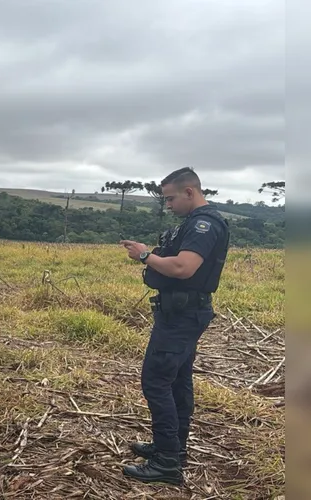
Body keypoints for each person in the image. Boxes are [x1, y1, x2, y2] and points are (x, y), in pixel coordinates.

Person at [118, 167, 230, 485]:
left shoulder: (203, 224)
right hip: (182, 312)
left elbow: (183, 267)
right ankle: (172, 448)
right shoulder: (198, 222)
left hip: (182, 316)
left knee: (156, 382)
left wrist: (144, 255)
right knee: (177, 380)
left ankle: (167, 463)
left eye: (170, 198)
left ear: (189, 192)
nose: (167, 205)